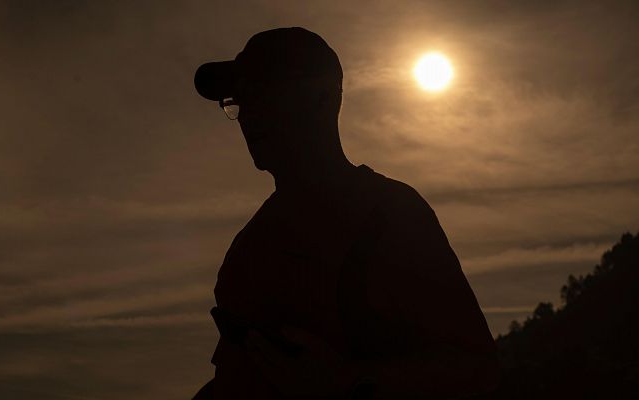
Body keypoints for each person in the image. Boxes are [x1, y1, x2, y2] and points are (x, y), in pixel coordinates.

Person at [192, 27, 499, 400]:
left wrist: (352, 383)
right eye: (239, 100)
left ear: (322, 100)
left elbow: (478, 371)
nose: (248, 116)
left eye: (263, 95)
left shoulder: (389, 217)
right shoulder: (247, 250)